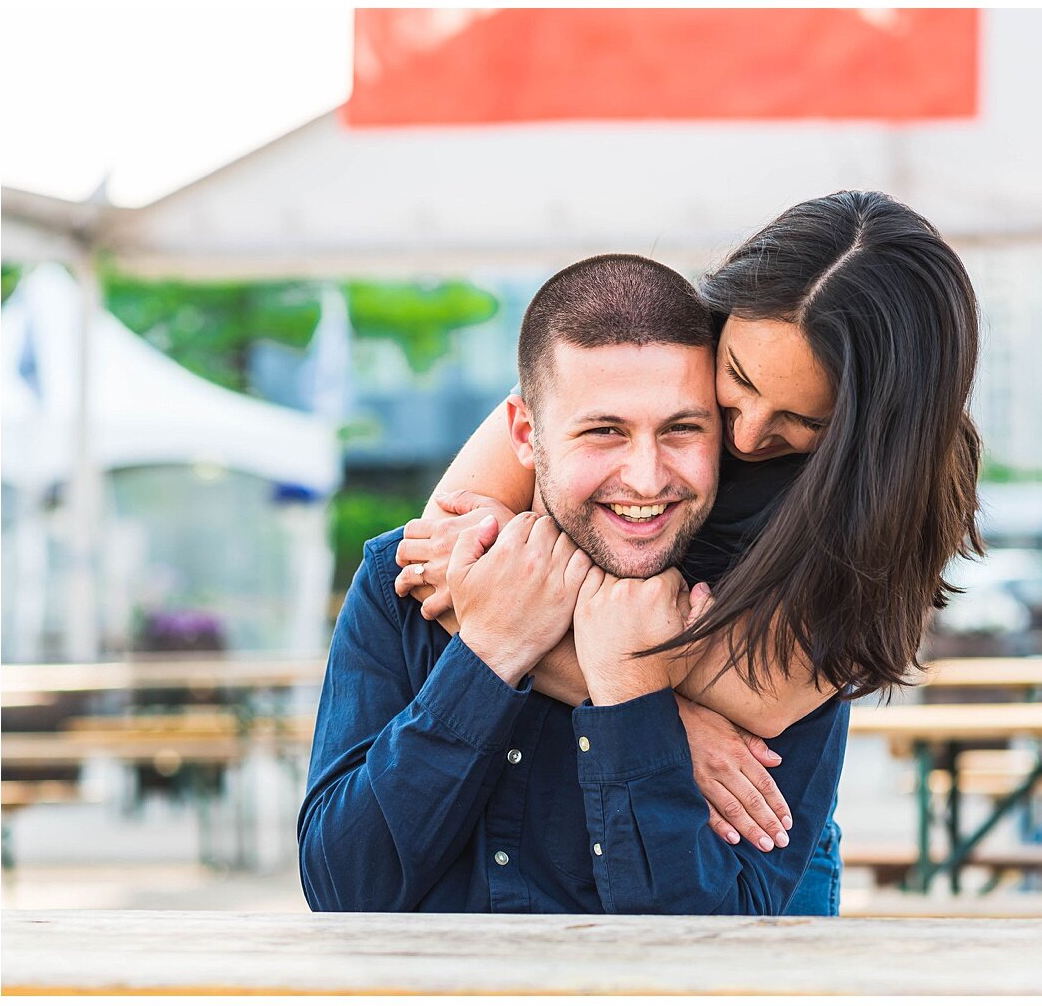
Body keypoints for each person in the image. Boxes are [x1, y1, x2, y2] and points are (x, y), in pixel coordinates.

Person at [394, 191, 984, 915]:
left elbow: (760, 697)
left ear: (875, 430)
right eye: (736, 380)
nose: (747, 435)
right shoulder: (644, 351)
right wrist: (677, 724)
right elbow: (445, 555)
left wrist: (608, 683)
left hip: (752, 833)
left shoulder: (901, 499)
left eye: (804, 420)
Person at [299, 254, 848, 914]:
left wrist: (632, 696)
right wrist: (490, 654)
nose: (646, 478)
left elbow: (714, 947)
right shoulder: (408, 579)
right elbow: (342, 892)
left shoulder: (777, 618)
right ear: (527, 434)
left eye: (682, 430)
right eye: (604, 432)